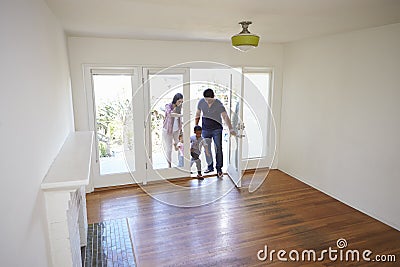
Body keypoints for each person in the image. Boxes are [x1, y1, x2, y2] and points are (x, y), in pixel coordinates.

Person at [195, 88, 236, 178]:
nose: (208, 102)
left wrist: (231, 128)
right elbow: (197, 114)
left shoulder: (218, 103)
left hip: (217, 129)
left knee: (218, 148)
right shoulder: (201, 102)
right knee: (207, 149)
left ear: (213, 97)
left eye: (209, 100)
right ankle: (210, 167)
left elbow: (225, 116)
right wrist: (196, 127)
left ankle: (219, 169)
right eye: (206, 99)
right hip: (205, 129)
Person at [162, 93, 183, 168]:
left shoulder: (179, 107)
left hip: (176, 130)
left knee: (179, 145)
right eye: (179, 101)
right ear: (175, 100)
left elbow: (179, 120)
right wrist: (180, 115)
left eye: (181, 102)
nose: (180, 103)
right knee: (169, 148)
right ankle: (169, 165)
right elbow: (170, 114)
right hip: (167, 130)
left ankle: (181, 163)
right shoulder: (168, 106)